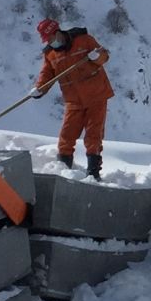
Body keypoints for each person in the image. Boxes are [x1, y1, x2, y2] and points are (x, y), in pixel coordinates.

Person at [34, 17, 114, 180]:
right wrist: (40, 89)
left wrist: (96, 57)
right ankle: (63, 171)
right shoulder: (50, 54)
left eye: (50, 38)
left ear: (57, 32)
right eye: (47, 40)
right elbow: (47, 74)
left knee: (93, 135)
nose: (49, 42)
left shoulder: (84, 40)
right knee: (66, 136)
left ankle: (93, 173)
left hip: (96, 96)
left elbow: (104, 56)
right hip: (73, 101)